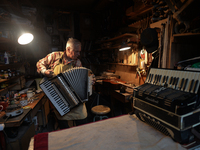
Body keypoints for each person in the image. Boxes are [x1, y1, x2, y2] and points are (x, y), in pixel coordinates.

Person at [36, 37, 93, 129]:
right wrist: (44, 72)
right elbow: (39, 63)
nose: (78, 54)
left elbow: (82, 81)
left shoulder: (77, 63)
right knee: (64, 129)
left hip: (75, 100)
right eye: (76, 51)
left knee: (82, 125)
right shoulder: (54, 56)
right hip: (60, 99)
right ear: (68, 49)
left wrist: (89, 81)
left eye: (79, 51)